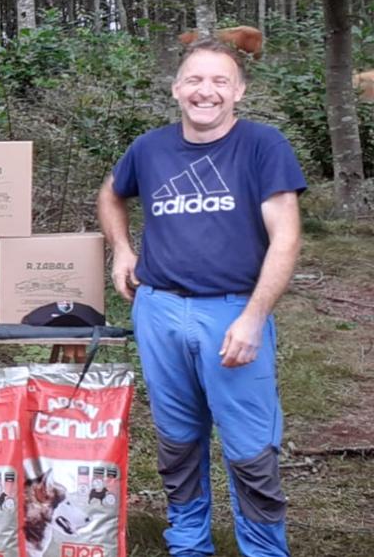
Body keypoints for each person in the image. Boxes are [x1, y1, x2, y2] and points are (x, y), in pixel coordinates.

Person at [96, 39, 306, 557]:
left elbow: (286, 237)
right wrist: (122, 250)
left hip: (232, 309)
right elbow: (111, 193)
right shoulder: (149, 148)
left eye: (219, 81)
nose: (205, 91)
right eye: (194, 80)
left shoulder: (263, 145)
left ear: (238, 91)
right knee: (177, 440)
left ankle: (261, 549)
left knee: (251, 448)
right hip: (160, 309)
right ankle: (188, 543)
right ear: (176, 89)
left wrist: (255, 317)